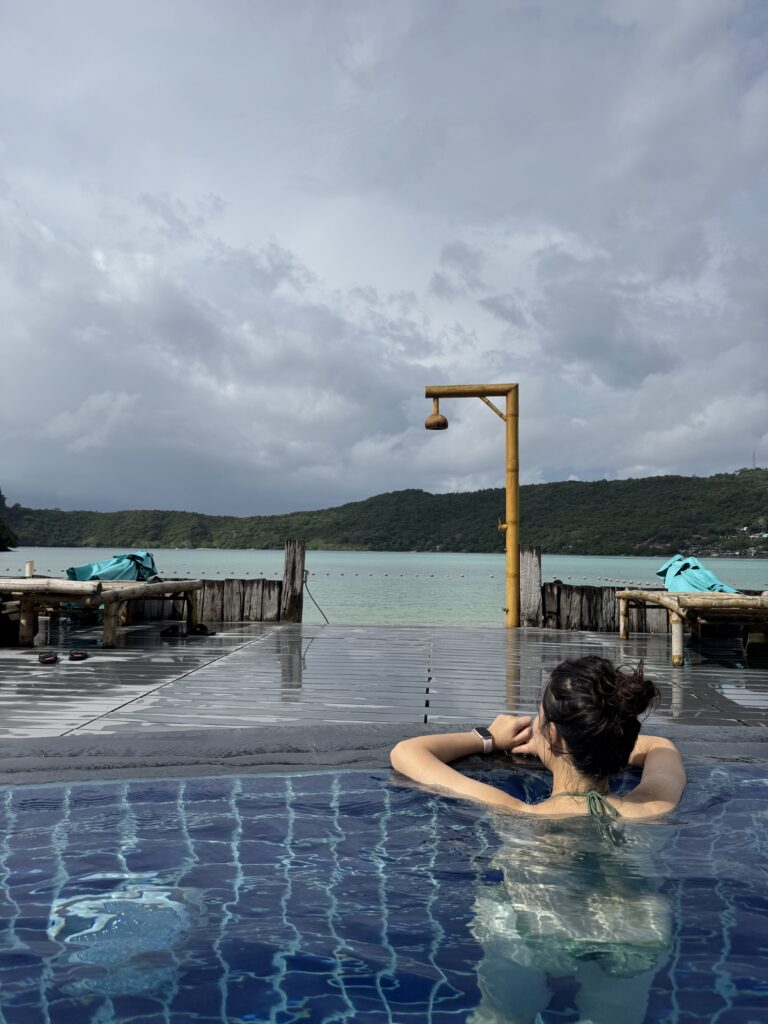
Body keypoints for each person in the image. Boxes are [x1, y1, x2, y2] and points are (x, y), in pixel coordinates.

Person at [390, 655, 685, 818]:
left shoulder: (519, 814)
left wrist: (489, 737)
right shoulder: (654, 805)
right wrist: (593, 741)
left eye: (540, 719)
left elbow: (407, 752)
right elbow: (660, 746)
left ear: (553, 736)